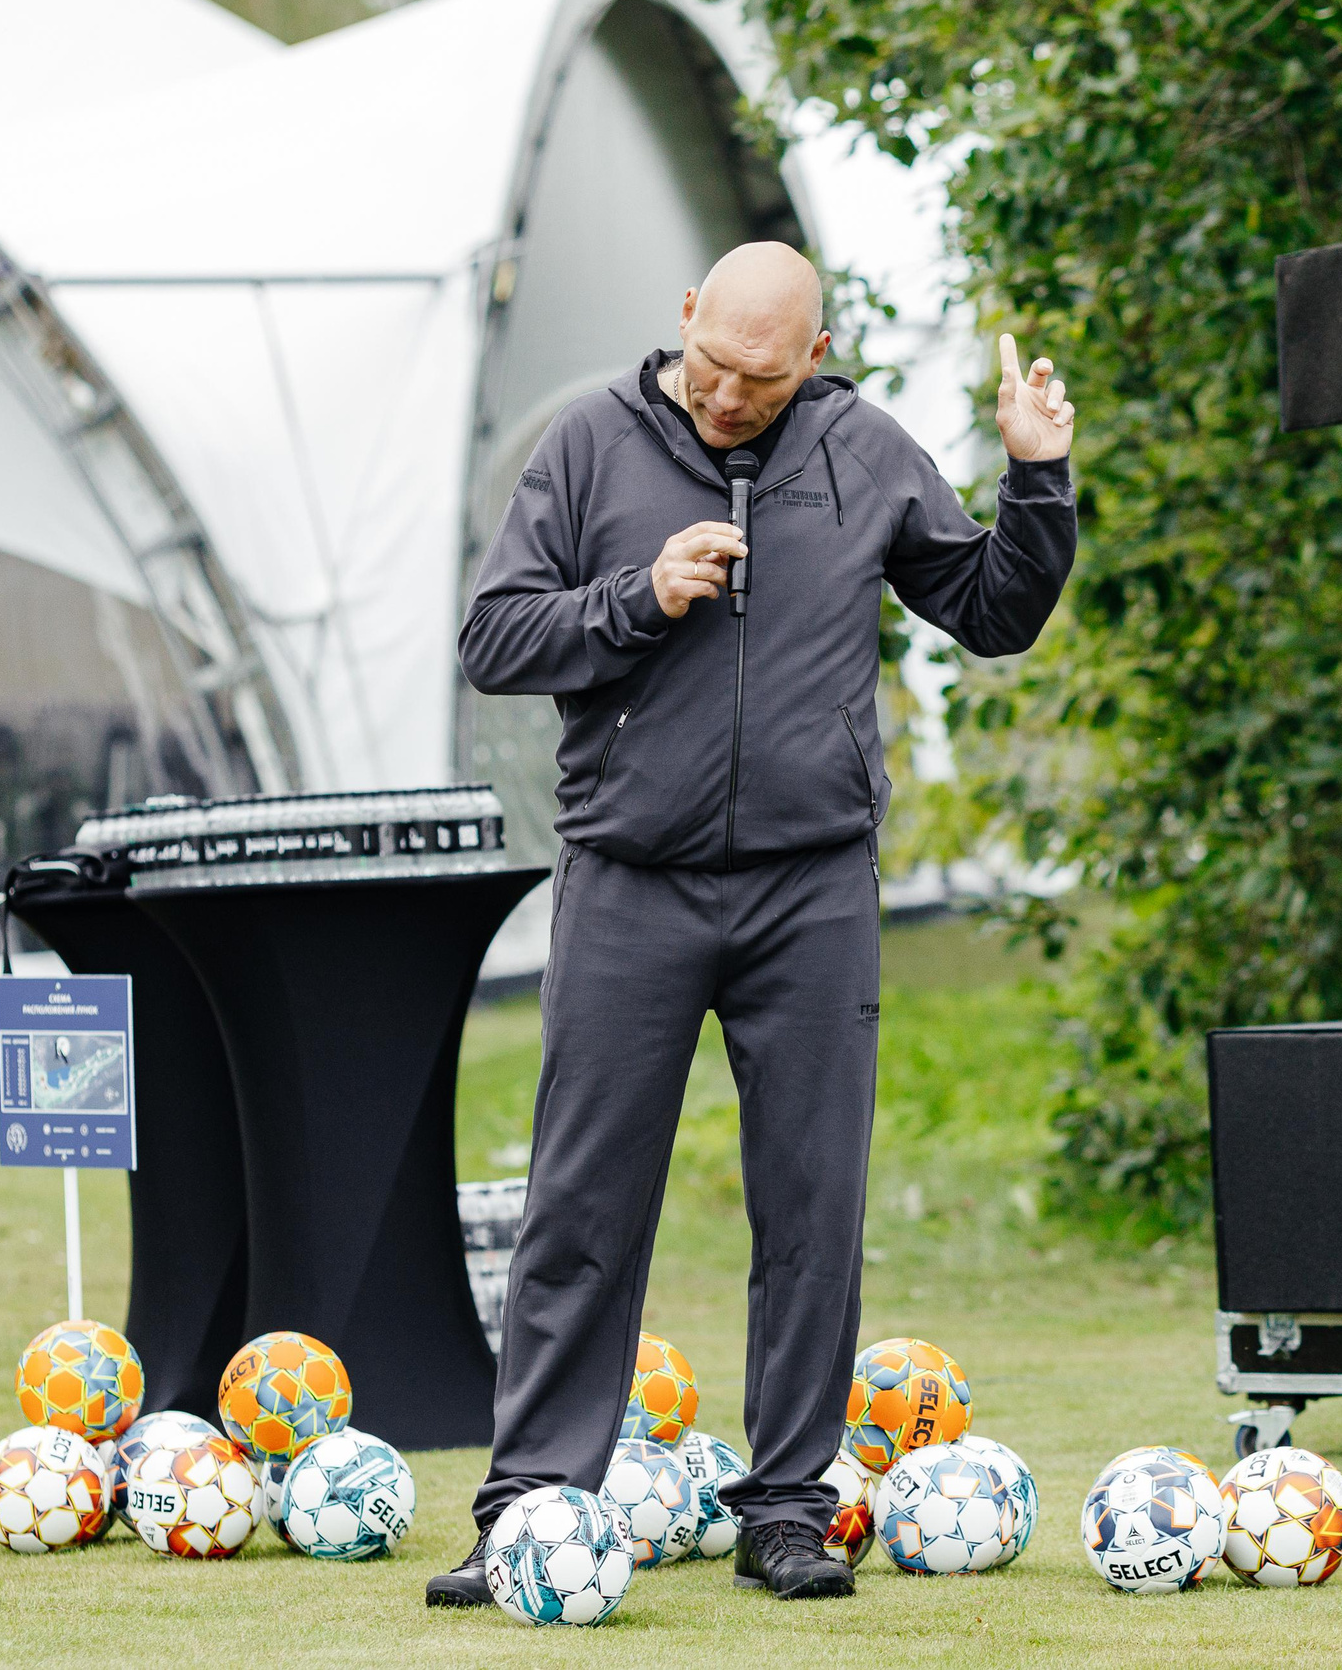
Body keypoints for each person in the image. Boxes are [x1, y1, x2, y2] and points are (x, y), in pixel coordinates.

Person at [428, 241, 1078, 1605]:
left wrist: (1035, 480)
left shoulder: (862, 451)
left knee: (812, 1204)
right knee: (581, 1205)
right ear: (684, 320)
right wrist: (638, 599)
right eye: (714, 364)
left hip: (812, 888)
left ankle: (786, 1507)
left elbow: (993, 610)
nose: (728, 397)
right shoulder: (588, 447)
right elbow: (495, 638)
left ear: (815, 362)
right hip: (629, 877)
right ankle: (531, 1511)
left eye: (762, 379)